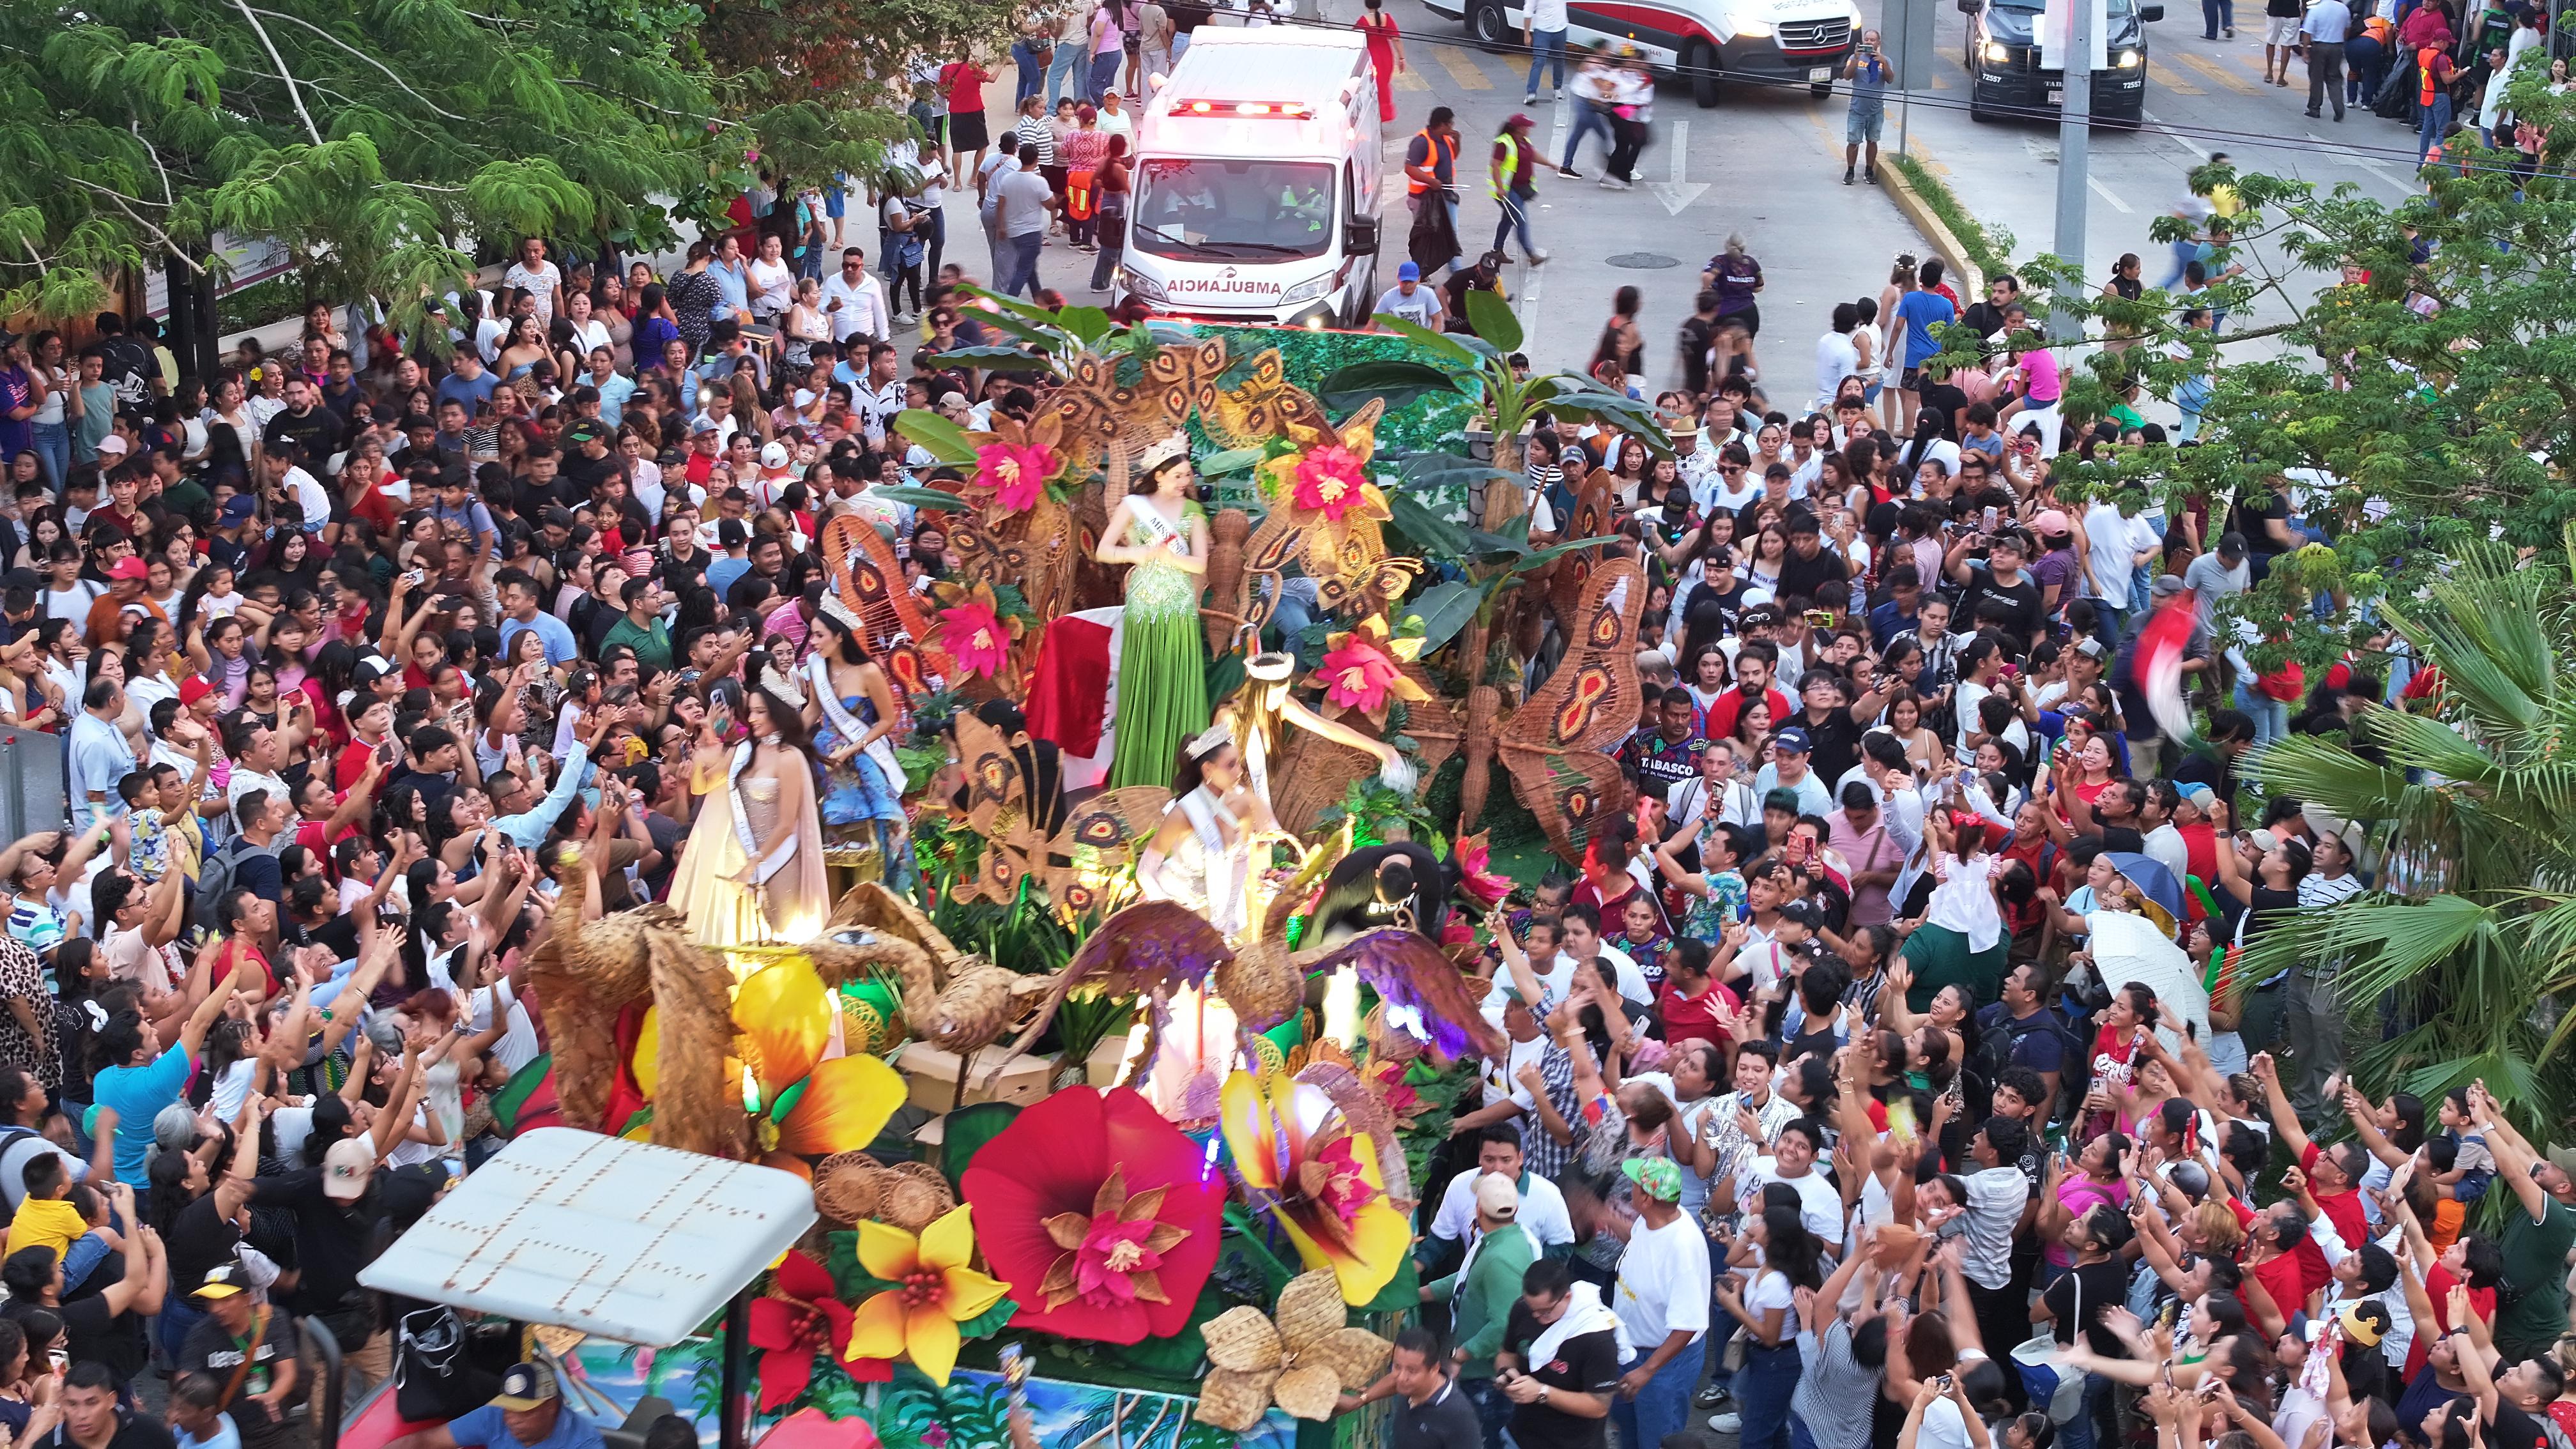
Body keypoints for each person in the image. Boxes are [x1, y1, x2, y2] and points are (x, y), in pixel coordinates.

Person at [1094, 433, 1209, 791]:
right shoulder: (1133, 505)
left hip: (1177, 607)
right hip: (1144, 605)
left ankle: (1182, 778)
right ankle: (1140, 780)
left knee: (1177, 682)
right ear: (1158, 475)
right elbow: (1103, 551)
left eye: (1188, 476)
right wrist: (1137, 555)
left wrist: (1172, 558)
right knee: (1144, 685)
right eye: (1178, 477)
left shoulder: (1193, 512)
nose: (1184, 483)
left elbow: (1201, 564)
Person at [385, 1361, 604, 1449]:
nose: (511, 1418)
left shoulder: (584, 1443)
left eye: (523, 1412)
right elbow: (424, 1441)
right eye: (509, 1408)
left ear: (551, 1408)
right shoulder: (495, 1416)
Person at [1489, 114, 1552, 267]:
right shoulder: (1504, 143)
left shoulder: (1524, 141)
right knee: (1520, 220)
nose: (1529, 129)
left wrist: (1549, 164)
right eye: (1526, 126)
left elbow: (1533, 155)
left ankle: (1497, 251)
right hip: (1507, 189)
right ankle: (1531, 255)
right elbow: (1495, 165)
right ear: (1519, 129)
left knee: (1508, 219)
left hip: (1520, 189)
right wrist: (1499, 187)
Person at [1844, 33, 1893, 183]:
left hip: (1876, 109)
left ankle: (1869, 170)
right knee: (1853, 141)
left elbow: (1890, 79)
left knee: (1873, 141)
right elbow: (1846, 76)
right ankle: (1850, 171)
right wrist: (1856, 59)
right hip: (1857, 108)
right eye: (1867, 40)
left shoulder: (1886, 60)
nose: (1869, 42)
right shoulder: (1854, 58)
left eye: (1872, 40)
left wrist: (1883, 63)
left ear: (1878, 42)